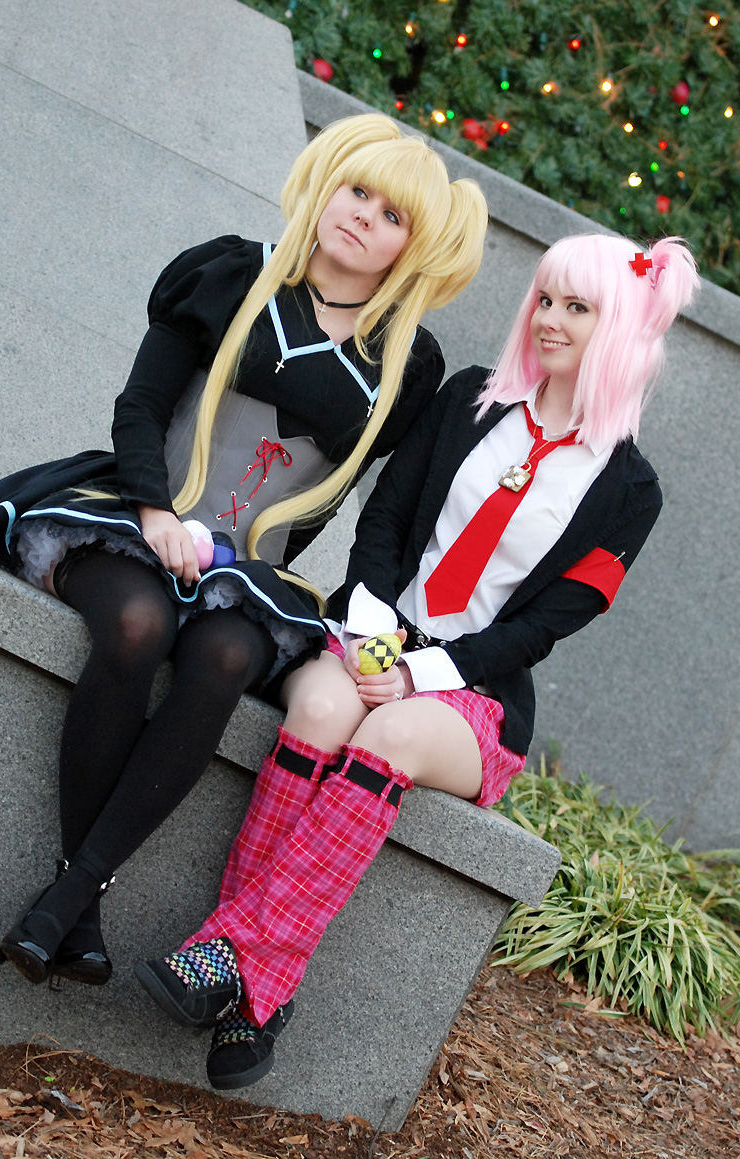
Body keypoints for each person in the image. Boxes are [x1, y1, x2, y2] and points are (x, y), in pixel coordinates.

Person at [135, 232, 699, 1090]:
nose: (549, 319)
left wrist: (417, 676)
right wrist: (373, 636)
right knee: (321, 709)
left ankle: (228, 948)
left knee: (388, 733)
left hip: (472, 690)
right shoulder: (470, 396)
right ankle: (259, 995)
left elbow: (545, 626)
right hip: (375, 630)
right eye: (546, 299)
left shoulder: (631, 491)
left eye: (578, 307)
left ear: (620, 329)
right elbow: (386, 520)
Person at [0, 114, 488, 988]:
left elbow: (354, 500)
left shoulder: (405, 364)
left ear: (410, 248)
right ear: (326, 184)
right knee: (137, 622)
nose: (363, 216)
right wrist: (156, 510)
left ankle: (69, 897)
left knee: (226, 654)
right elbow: (140, 405)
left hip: (245, 572)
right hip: (133, 514)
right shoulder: (233, 273)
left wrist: (275, 581)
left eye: (392, 216)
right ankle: (76, 905)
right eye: (357, 191)